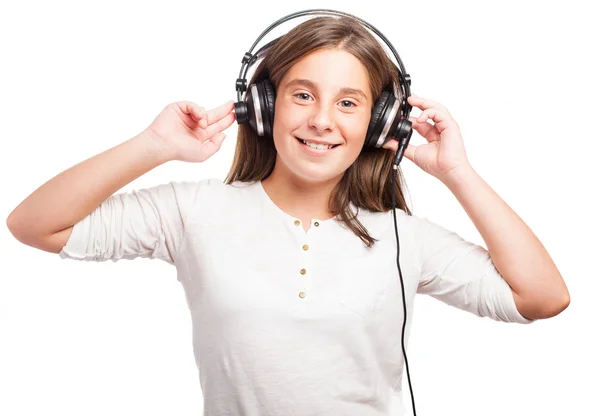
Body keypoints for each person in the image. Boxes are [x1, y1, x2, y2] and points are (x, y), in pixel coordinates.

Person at [6, 14, 570, 416]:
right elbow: (34, 224)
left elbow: (543, 298)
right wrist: (155, 145)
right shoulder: (193, 212)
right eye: (302, 95)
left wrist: (457, 174)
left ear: (380, 126)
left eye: (349, 103)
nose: (323, 120)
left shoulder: (403, 238)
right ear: (265, 106)